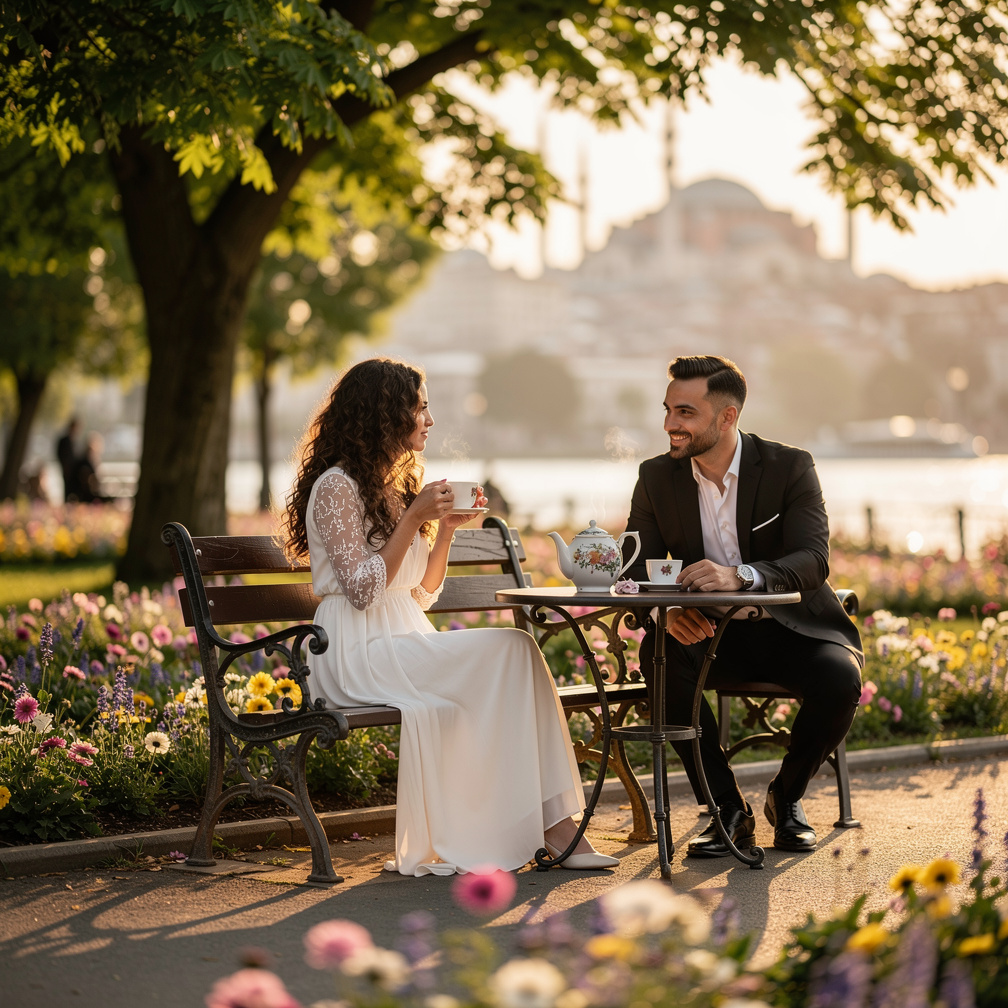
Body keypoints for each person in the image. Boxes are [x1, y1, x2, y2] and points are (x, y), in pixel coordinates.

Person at [283, 357, 617, 876]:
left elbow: (421, 593)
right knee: (512, 650)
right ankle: (550, 829)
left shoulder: (388, 488)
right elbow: (365, 590)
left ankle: (551, 823)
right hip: (352, 651)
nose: (429, 420)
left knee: (517, 654)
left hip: (400, 638)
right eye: (421, 407)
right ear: (385, 414)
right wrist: (415, 516)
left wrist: (447, 530)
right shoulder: (336, 487)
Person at [623, 354, 863, 856]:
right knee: (658, 660)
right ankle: (727, 809)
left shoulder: (789, 467)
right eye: (668, 410)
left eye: (685, 413)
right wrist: (666, 615)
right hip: (707, 634)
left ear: (727, 416)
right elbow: (634, 569)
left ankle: (787, 796)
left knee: (840, 678)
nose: (670, 424)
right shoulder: (655, 477)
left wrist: (740, 576)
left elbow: (812, 558)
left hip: (791, 629)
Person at [56, 418, 80, 502]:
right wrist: (65, 466)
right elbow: (59, 454)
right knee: (67, 489)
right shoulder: (65, 440)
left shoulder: (74, 441)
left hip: (74, 471)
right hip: (67, 470)